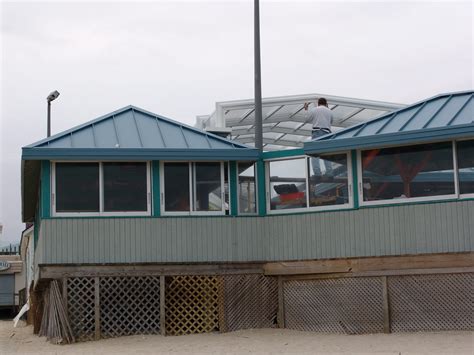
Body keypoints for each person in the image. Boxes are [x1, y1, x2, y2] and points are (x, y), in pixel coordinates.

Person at [304, 97, 334, 177]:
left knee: (315, 153)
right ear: (326, 103)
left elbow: (307, 119)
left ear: (318, 103)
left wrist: (306, 109)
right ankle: (329, 173)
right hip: (327, 133)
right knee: (326, 154)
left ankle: (317, 173)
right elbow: (331, 121)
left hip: (317, 132)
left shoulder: (315, 110)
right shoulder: (330, 111)